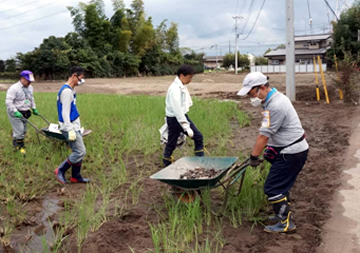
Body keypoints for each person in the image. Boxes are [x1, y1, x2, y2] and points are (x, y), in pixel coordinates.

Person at [237, 72, 308, 233]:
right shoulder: (273, 100)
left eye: (251, 93)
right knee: (280, 185)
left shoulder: (276, 105)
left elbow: (264, 136)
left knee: (273, 188)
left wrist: (253, 157)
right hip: (290, 149)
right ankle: (281, 215)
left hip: (291, 153)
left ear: (261, 88)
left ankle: (285, 223)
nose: (251, 97)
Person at [162, 65, 205, 167]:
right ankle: (201, 161)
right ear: (182, 75)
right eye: (189, 77)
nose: (190, 80)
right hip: (176, 118)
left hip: (176, 118)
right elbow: (177, 110)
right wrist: (186, 126)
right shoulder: (175, 89)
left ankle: (166, 160)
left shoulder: (181, 85)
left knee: (172, 142)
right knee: (198, 137)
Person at [55, 66, 90, 184]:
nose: (81, 81)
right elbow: (65, 113)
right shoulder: (66, 92)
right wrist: (70, 130)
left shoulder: (71, 90)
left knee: (78, 150)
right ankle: (60, 170)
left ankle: (76, 176)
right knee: (80, 151)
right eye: (81, 78)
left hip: (75, 125)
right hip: (69, 127)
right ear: (74, 76)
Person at [5, 70, 39, 155]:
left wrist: (33, 108)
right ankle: (20, 147)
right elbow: (8, 102)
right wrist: (15, 111)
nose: (30, 83)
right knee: (20, 130)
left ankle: (16, 142)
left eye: (31, 81)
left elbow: (31, 99)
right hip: (15, 112)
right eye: (28, 81)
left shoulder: (30, 88)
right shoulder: (14, 88)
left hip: (25, 111)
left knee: (24, 130)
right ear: (22, 79)